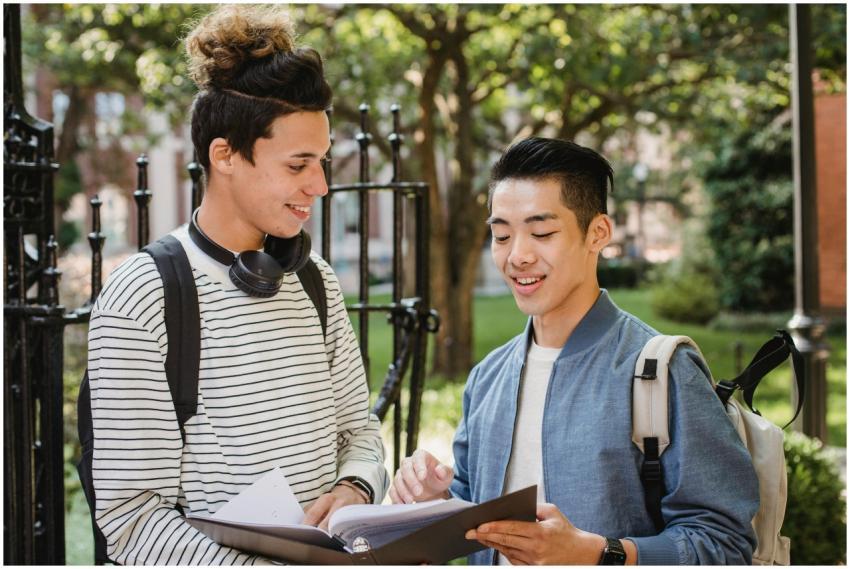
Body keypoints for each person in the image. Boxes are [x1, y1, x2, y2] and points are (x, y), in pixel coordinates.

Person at [86, 5, 387, 564]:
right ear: (224, 154)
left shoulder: (315, 281)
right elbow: (132, 520)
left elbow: (361, 436)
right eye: (299, 165)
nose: (320, 185)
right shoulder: (142, 296)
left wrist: (355, 488)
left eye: (321, 162)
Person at [390, 137, 759, 565]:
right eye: (502, 235)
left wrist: (598, 553)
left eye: (542, 232)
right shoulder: (487, 378)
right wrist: (434, 501)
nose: (518, 256)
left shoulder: (663, 370)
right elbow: (471, 519)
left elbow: (725, 544)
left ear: (597, 233)